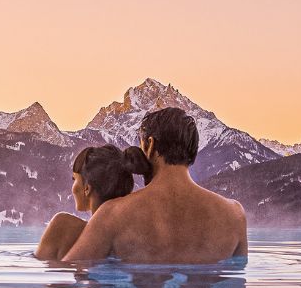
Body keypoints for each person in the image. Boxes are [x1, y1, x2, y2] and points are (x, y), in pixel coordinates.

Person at [46, 106, 248, 267]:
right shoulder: (234, 215)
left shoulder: (113, 214)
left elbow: (76, 272)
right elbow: (237, 284)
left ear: (150, 145)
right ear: (192, 150)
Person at [34, 143, 146, 261]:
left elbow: (39, 270)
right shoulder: (137, 240)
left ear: (87, 188)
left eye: (75, 179)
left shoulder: (64, 226)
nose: (73, 188)